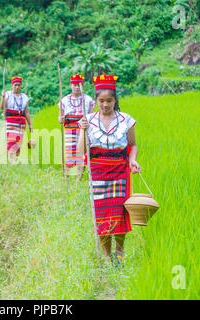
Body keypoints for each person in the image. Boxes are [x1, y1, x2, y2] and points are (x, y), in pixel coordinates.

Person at [77, 73, 141, 264]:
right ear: (96, 100)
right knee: (102, 214)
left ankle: (119, 254)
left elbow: (133, 145)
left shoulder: (126, 120)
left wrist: (132, 160)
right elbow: (81, 150)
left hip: (119, 172)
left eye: (109, 101)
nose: (105, 105)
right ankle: (106, 256)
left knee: (119, 213)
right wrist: (82, 129)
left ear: (115, 100)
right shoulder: (88, 120)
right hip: (97, 173)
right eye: (101, 100)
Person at [58, 74, 95, 180]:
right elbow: (60, 117)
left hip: (83, 130)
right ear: (71, 85)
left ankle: (79, 179)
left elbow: (91, 116)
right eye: (74, 85)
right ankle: (66, 177)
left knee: (81, 153)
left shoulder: (88, 100)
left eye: (79, 85)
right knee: (70, 154)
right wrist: (61, 119)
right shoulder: (64, 100)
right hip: (69, 131)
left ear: (82, 85)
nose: (77, 87)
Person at [0, 76, 33, 163]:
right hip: (11, 122)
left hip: (21, 122)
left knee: (18, 144)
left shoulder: (24, 97)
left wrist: (30, 125)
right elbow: (2, 107)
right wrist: (2, 97)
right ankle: (12, 163)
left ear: (21, 85)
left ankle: (16, 155)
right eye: (15, 85)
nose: (17, 87)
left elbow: (26, 112)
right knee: (11, 142)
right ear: (12, 85)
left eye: (18, 85)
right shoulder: (7, 95)